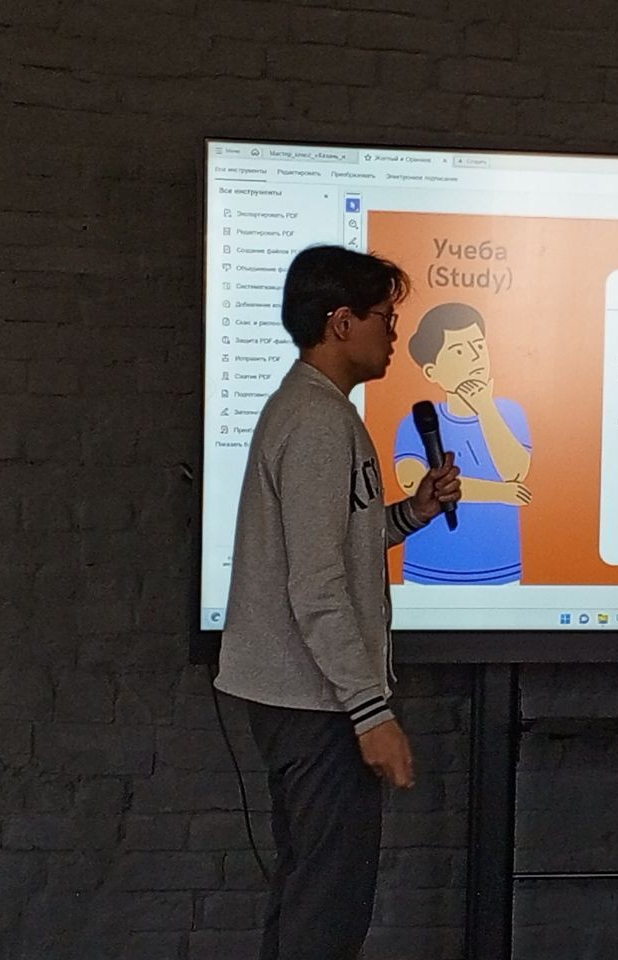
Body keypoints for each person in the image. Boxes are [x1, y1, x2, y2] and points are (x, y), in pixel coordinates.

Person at [215, 246, 461, 960]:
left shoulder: (317, 412)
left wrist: (411, 514)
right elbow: (316, 585)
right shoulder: (317, 422)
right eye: (385, 317)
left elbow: (336, 544)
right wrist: (370, 712)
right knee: (327, 908)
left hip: (304, 698)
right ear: (341, 322)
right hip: (314, 702)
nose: (394, 334)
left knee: (310, 895)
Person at [393, 301, 532, 584]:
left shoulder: (510, 413)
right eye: (458, 351)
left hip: (500, 568)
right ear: (431, 371)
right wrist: (500, 492)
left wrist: (485, 407)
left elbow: (516, 472)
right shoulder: (418, 419)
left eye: (479, 346)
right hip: (428, 569)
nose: (475, 357)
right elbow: (413, 482)